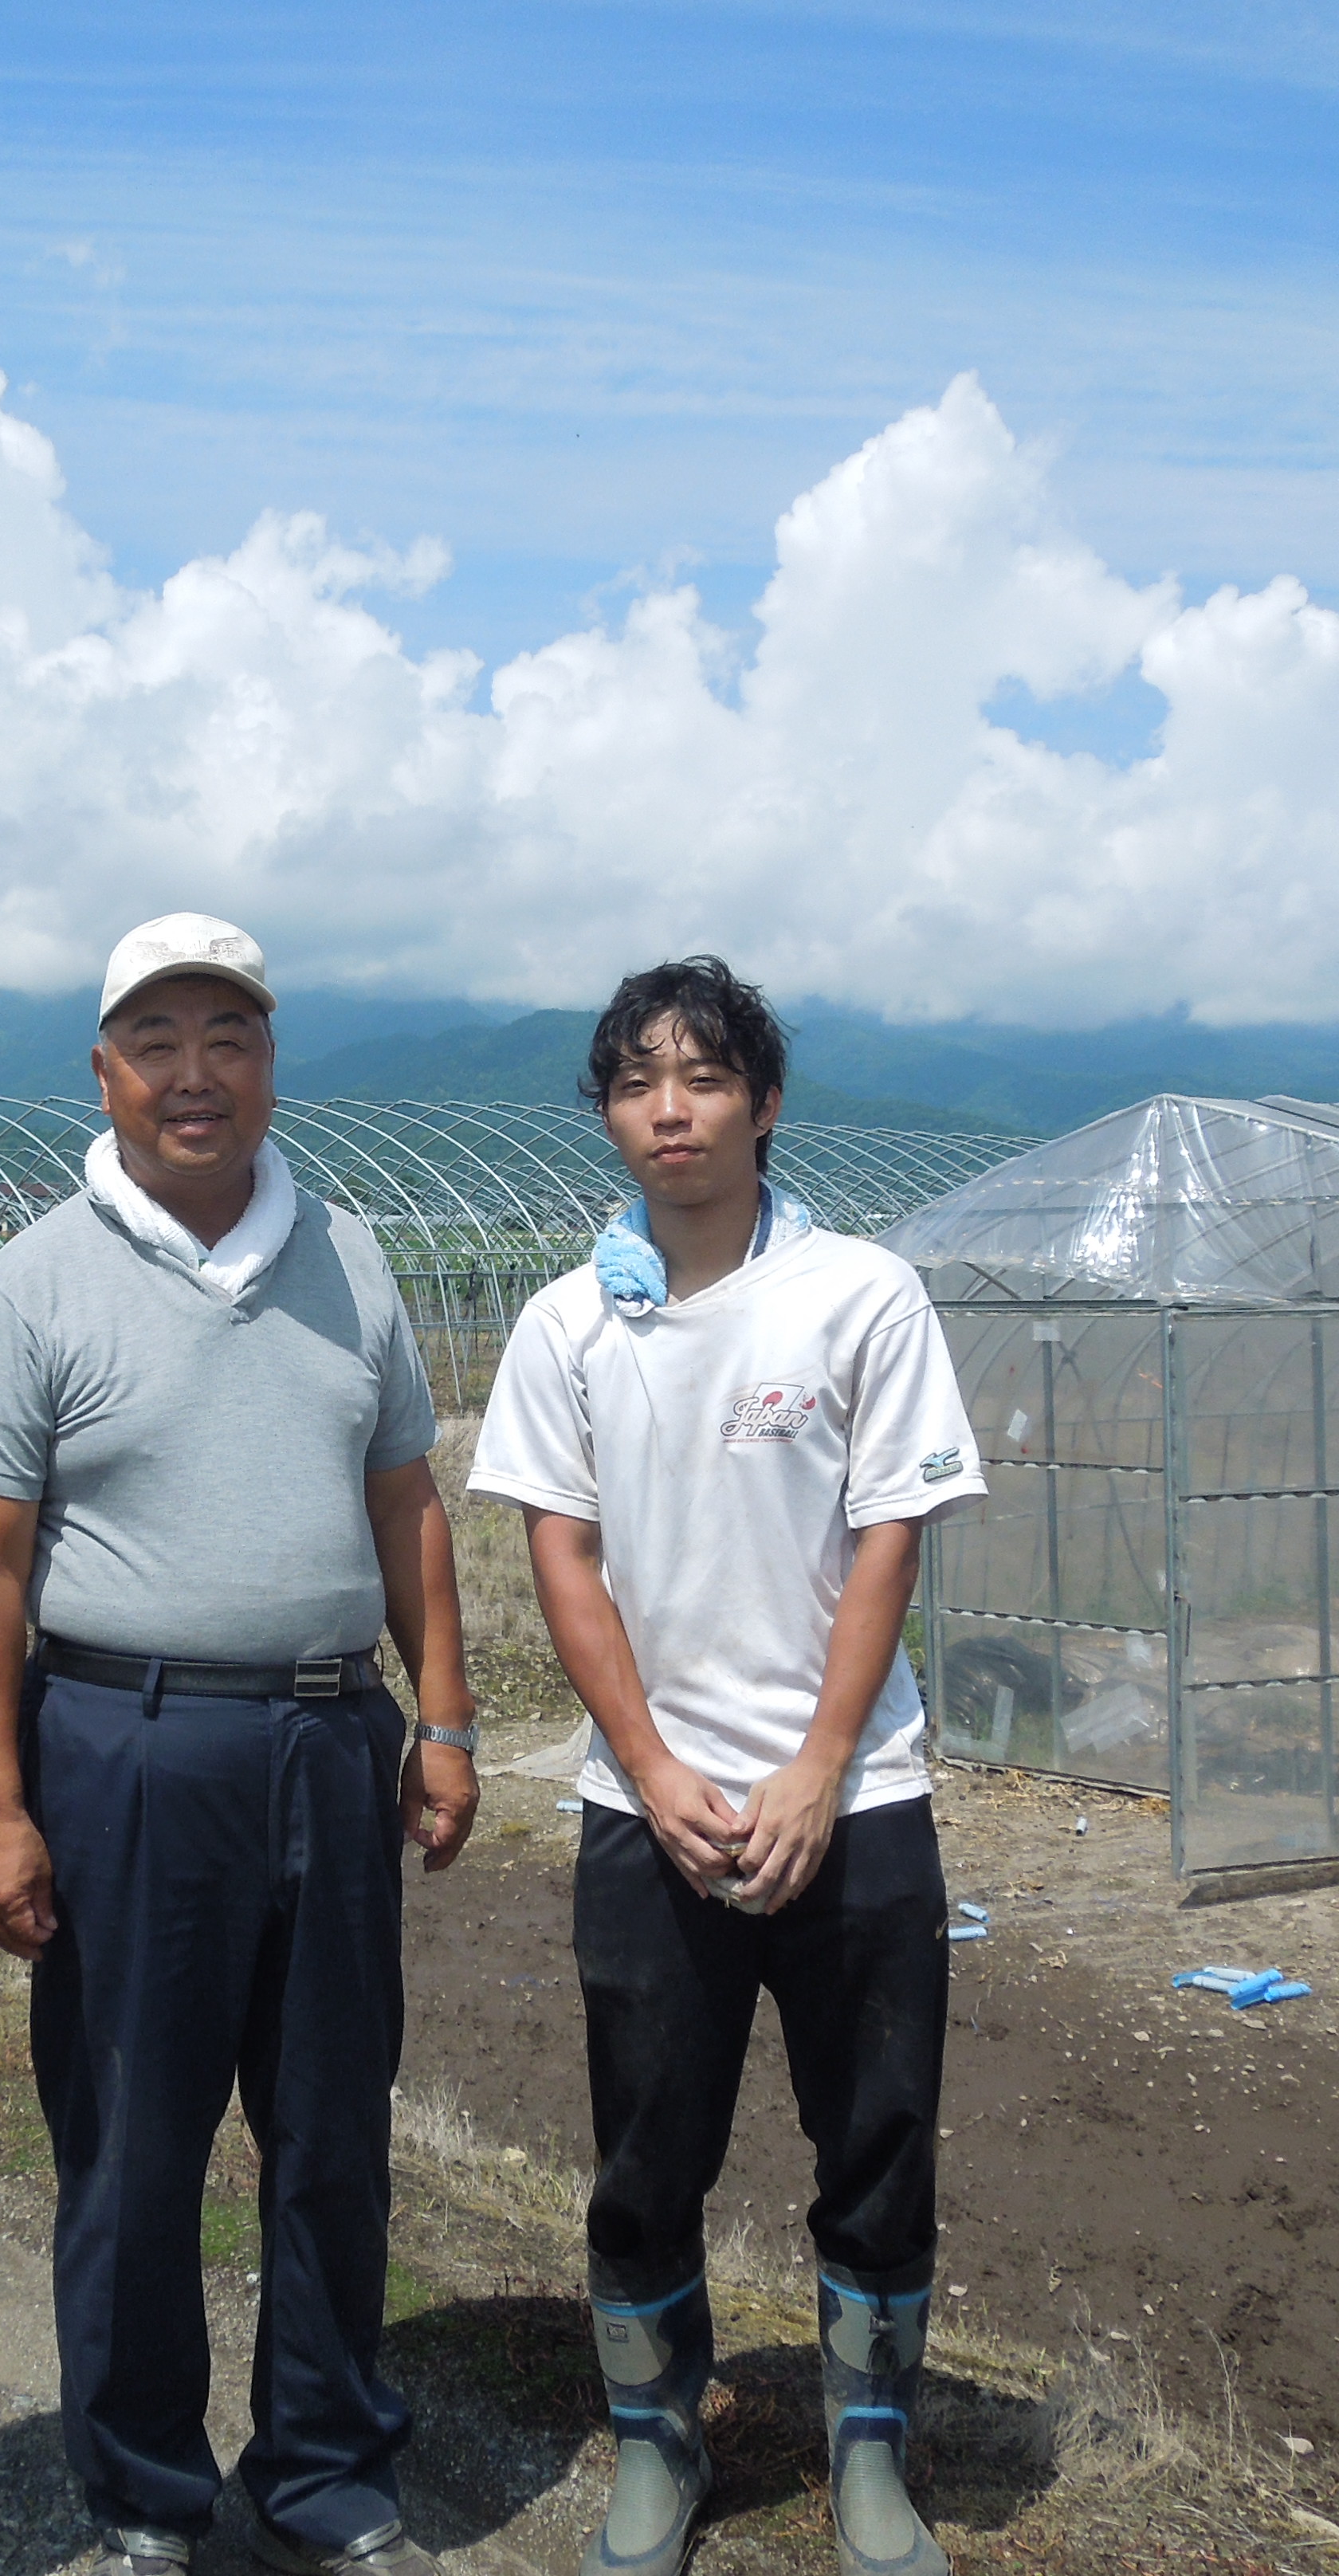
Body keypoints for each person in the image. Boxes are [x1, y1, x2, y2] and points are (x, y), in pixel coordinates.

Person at [0, 912, 482, 2576]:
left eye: (227, 1037)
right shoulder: (38, 1280)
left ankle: (325, 2476)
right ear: (103, 1071)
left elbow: (410, 1506)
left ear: (268, 1062)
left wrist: (443, 1720)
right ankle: (148, 2500)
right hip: (127, 1746)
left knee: (332, 2135)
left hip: (330, 1745)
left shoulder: (350, 1255)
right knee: (134, 2148)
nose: (195, 1073)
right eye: (156, 1040)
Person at [468, 958, 982, 2576]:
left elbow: (889, 1536)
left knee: (880, 2137)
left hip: (858, 1804)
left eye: (701, 1076)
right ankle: (659, 2443)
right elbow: (565, 1554)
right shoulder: (570, 1322)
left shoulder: (857, 1295)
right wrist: (646, 1762)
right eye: (634, 1080)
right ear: (609, 1113)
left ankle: (871, 2457)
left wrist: (824, 1767)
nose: (667, 1109)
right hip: (651, 1817)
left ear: (763, 1102)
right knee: (645, 2149)